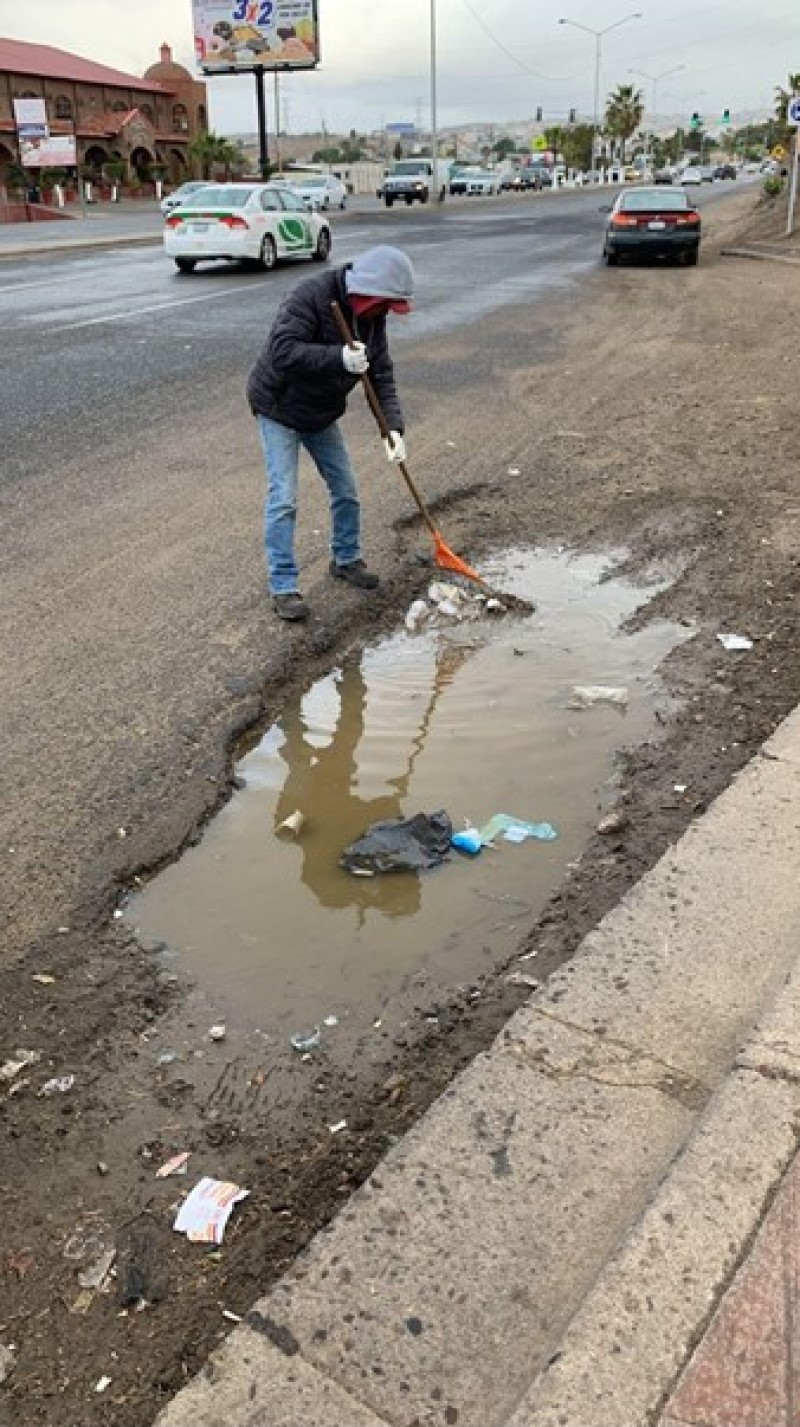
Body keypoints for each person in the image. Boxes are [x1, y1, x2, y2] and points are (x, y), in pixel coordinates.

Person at [247, 244, 414, 622]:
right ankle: (284, 586)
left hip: (321, 412)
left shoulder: (371, 318)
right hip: (279, 408)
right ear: (369, 292)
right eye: (386, 304)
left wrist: (393, 430)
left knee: (346, 488)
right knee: (284, 497)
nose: (386, 313)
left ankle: (346, 559)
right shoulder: (310, 297)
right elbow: (283, 352)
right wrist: (337, 357)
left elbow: (380, 373)